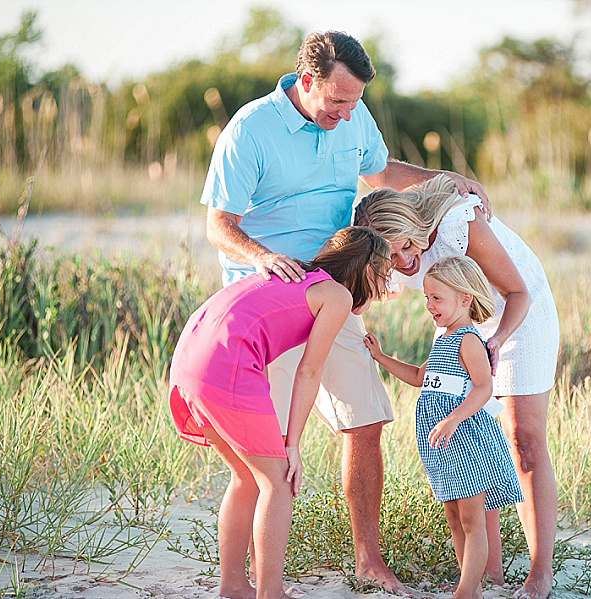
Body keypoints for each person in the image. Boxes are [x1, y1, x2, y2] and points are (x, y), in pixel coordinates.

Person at [200, 30, 489, 591]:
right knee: (270, 455)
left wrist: (443, 180)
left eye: (355, 101)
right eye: (336, 100)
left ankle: (367, 559)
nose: (346, 112)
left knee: (366, 419)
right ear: (305, 81)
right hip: (269, 302)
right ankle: (248, 583)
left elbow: (381, 172)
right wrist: (262, 257)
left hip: (338, 294)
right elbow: (218, 223)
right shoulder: (250, 129)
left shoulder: (353, 118)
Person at [354, 174, 559, 599]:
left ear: (415, 225)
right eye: (392, 258)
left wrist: (495, 342)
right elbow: (376, 169)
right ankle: (487, 576)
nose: (406, 263)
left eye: (409, 247)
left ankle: (540, 574)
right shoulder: (388, 255)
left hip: (516, 314)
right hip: (454, 320)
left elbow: (517, 291)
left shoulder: (455, 225)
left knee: (523, 437)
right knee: (467, 449)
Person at [168, 227, 391, 599]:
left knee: (247, 477)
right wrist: (293, 444)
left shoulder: (295, 274)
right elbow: (309, 371)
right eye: (384, 276)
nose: (386, 288)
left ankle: (234, 587)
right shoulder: (335, 295)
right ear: (367, 271)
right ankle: (271, 593)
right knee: (279, 481)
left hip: (188, 365)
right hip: (227, 367)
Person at [364, 255, 523, 599]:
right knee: (454, 519)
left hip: (466, 442)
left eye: (437, 298)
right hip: (443, 446)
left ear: (465, 298)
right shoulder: (444, 337)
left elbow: (483, 387)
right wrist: (381, 358)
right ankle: (471, 586)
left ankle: (467, 590)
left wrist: (451, 420)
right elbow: (421, 377)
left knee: (472, 520)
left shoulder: (468, 338)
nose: (429, 305)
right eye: (426, 297)